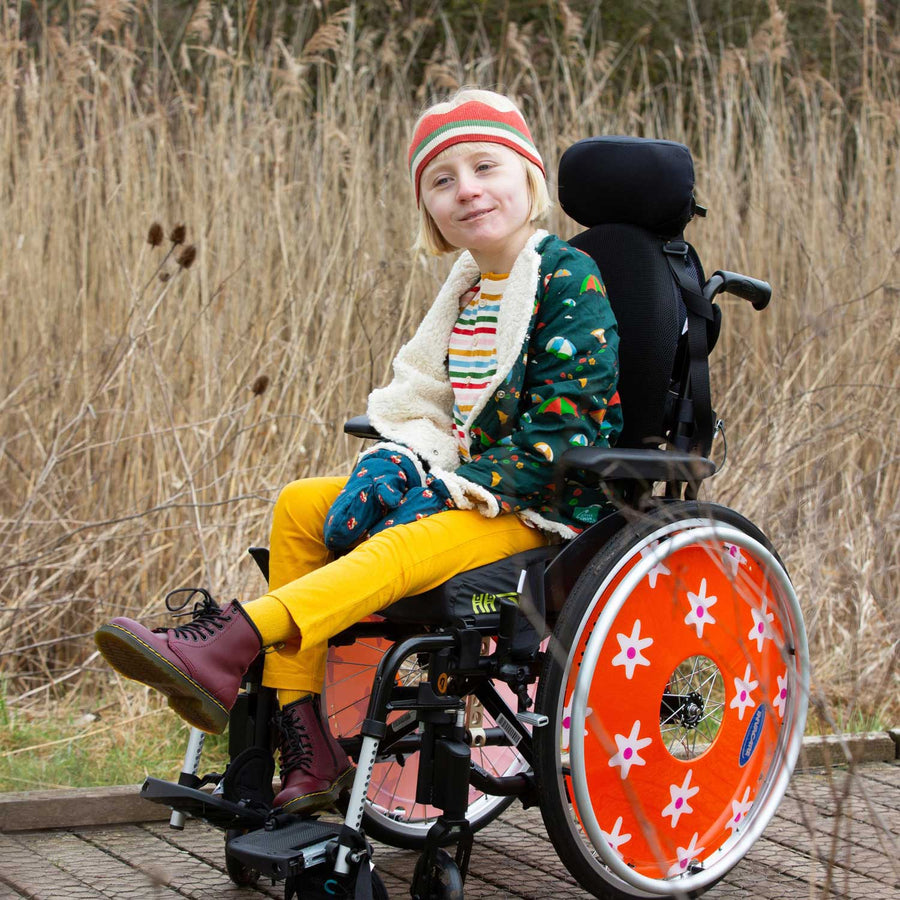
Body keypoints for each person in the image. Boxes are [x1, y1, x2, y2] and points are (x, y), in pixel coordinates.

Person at [95, 88, 622, 818]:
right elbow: (427, 408)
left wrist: (450, 486)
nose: (466, 190)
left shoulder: (568, 280)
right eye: (442, 180)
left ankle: (228, 647)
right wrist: (403, 459)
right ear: (429, 211)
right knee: (300, 505)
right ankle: (306, 739)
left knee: (399, 544)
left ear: (527, 179)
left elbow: (562, 439)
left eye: (485, 166)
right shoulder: (470, 289)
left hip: (541, 509)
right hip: (469, 485)